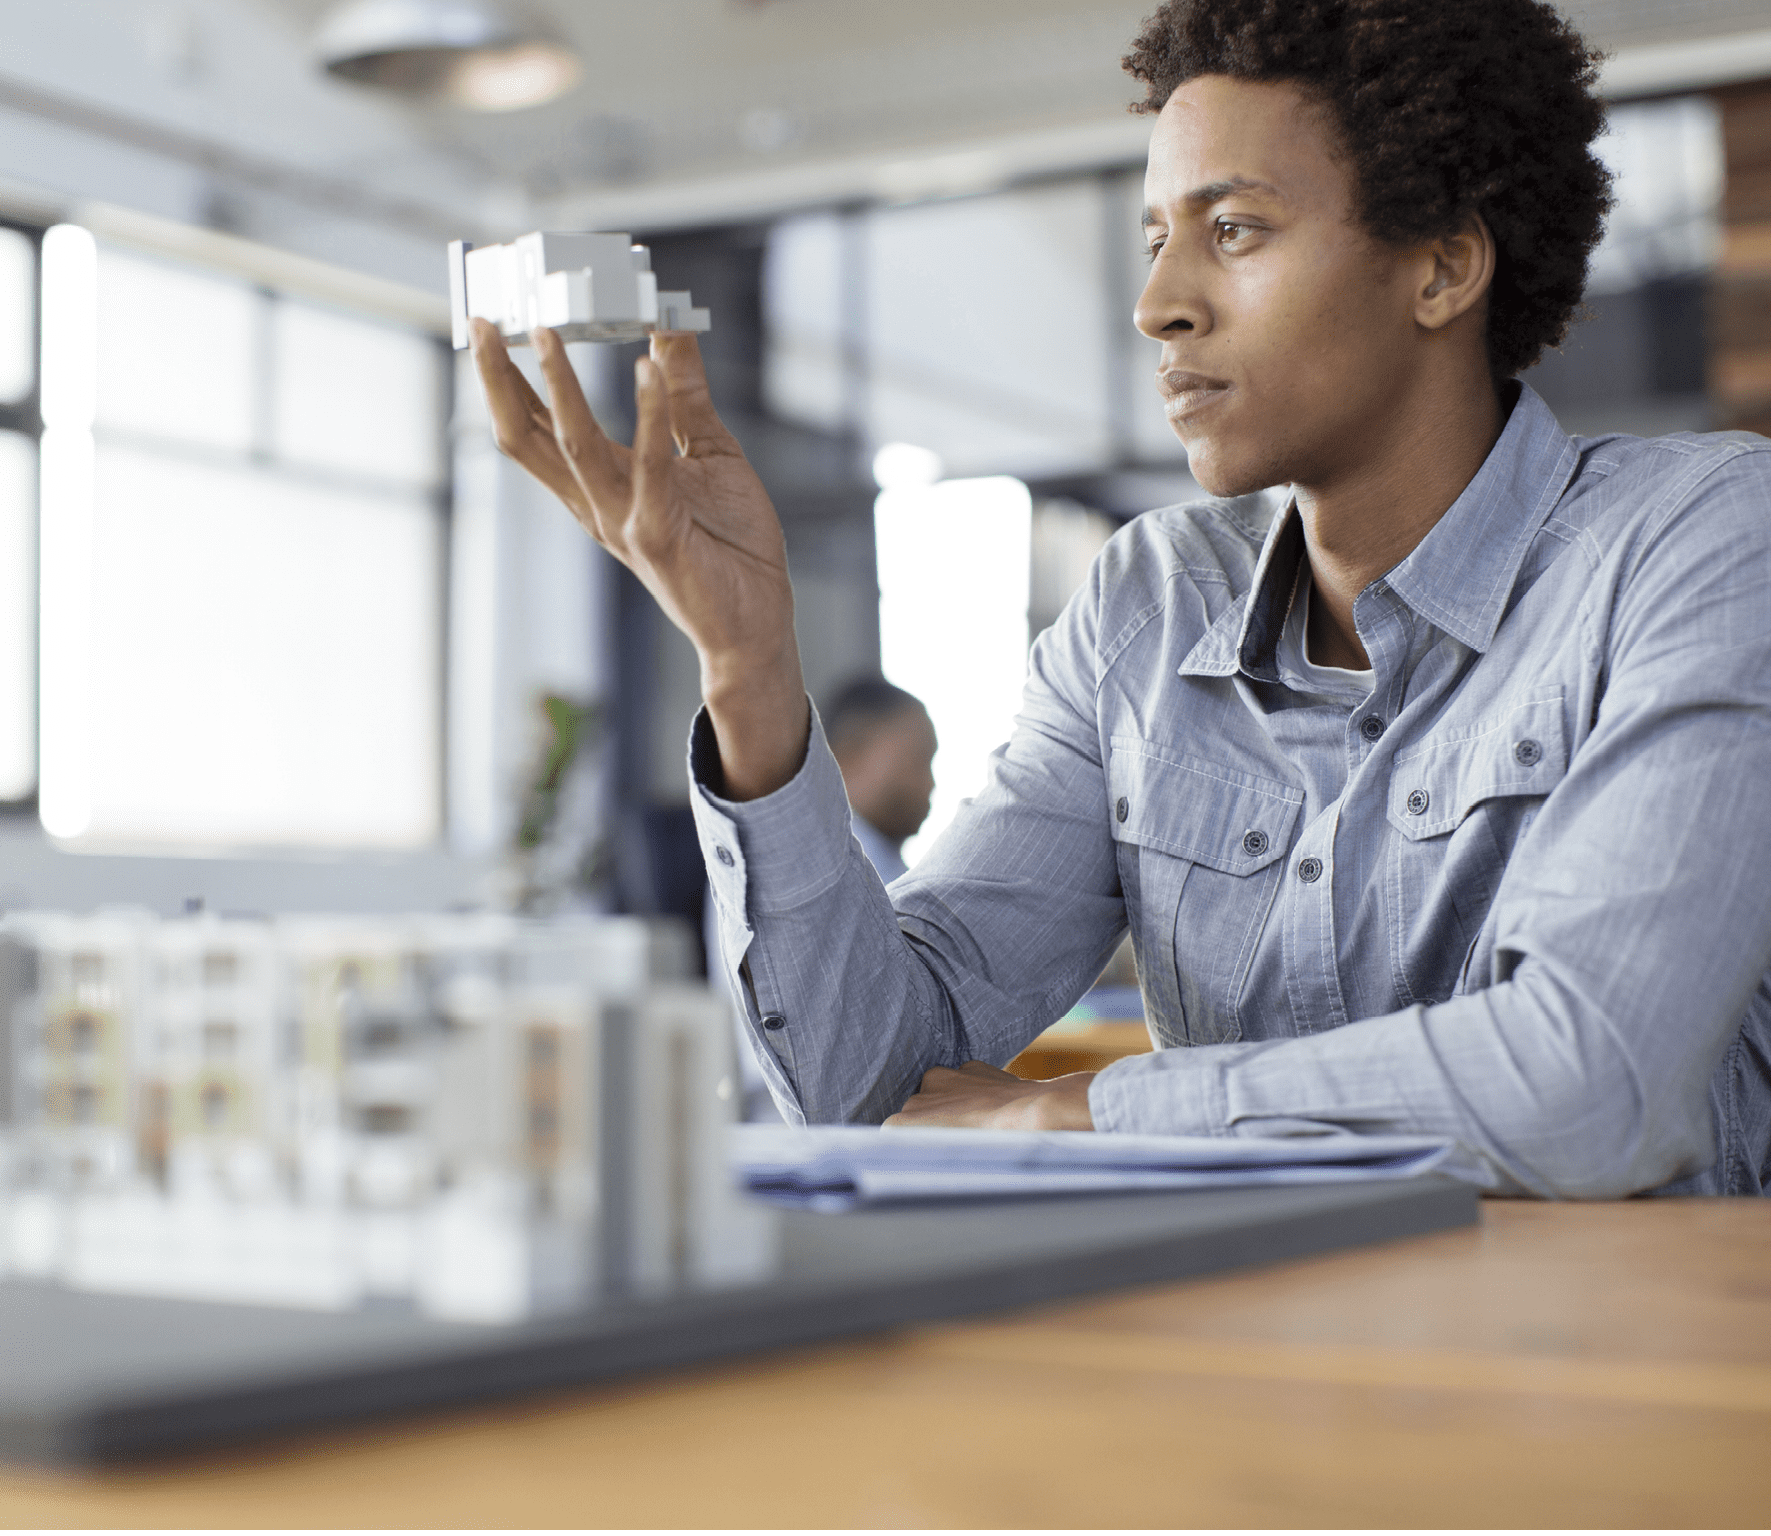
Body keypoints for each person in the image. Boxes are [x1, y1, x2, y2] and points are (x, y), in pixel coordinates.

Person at [470, 0, 1771, 1198]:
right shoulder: (1142, 607)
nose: (1158, 304)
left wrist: (1084, 1111)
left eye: (1234, 229)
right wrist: (747, 662)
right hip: (1229, 1389)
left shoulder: (1702, 538)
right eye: (1154, 238)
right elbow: (861, 1088)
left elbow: (1590, 1080)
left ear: (1440, 270)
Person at [823, 678, 938, 885]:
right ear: (845, 758)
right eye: (915, 762)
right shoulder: (837, 874)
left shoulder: (893, 872)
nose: (930, 784)